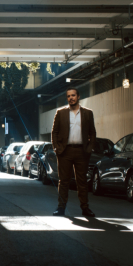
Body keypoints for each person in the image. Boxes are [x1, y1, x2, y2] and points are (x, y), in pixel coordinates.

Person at [51, 88, 97, 217]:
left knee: (82, 181)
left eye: (73, 95)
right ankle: (61, 207)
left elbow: (92, 132)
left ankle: (85, 208)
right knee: (63, 181)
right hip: (65, 151)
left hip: (82, 151)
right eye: (68, 96)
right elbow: (54, 132)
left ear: (78, 96)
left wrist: (89, 148)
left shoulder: (88, 113)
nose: (71, 98)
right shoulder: (60, 113)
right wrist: (57, 148)